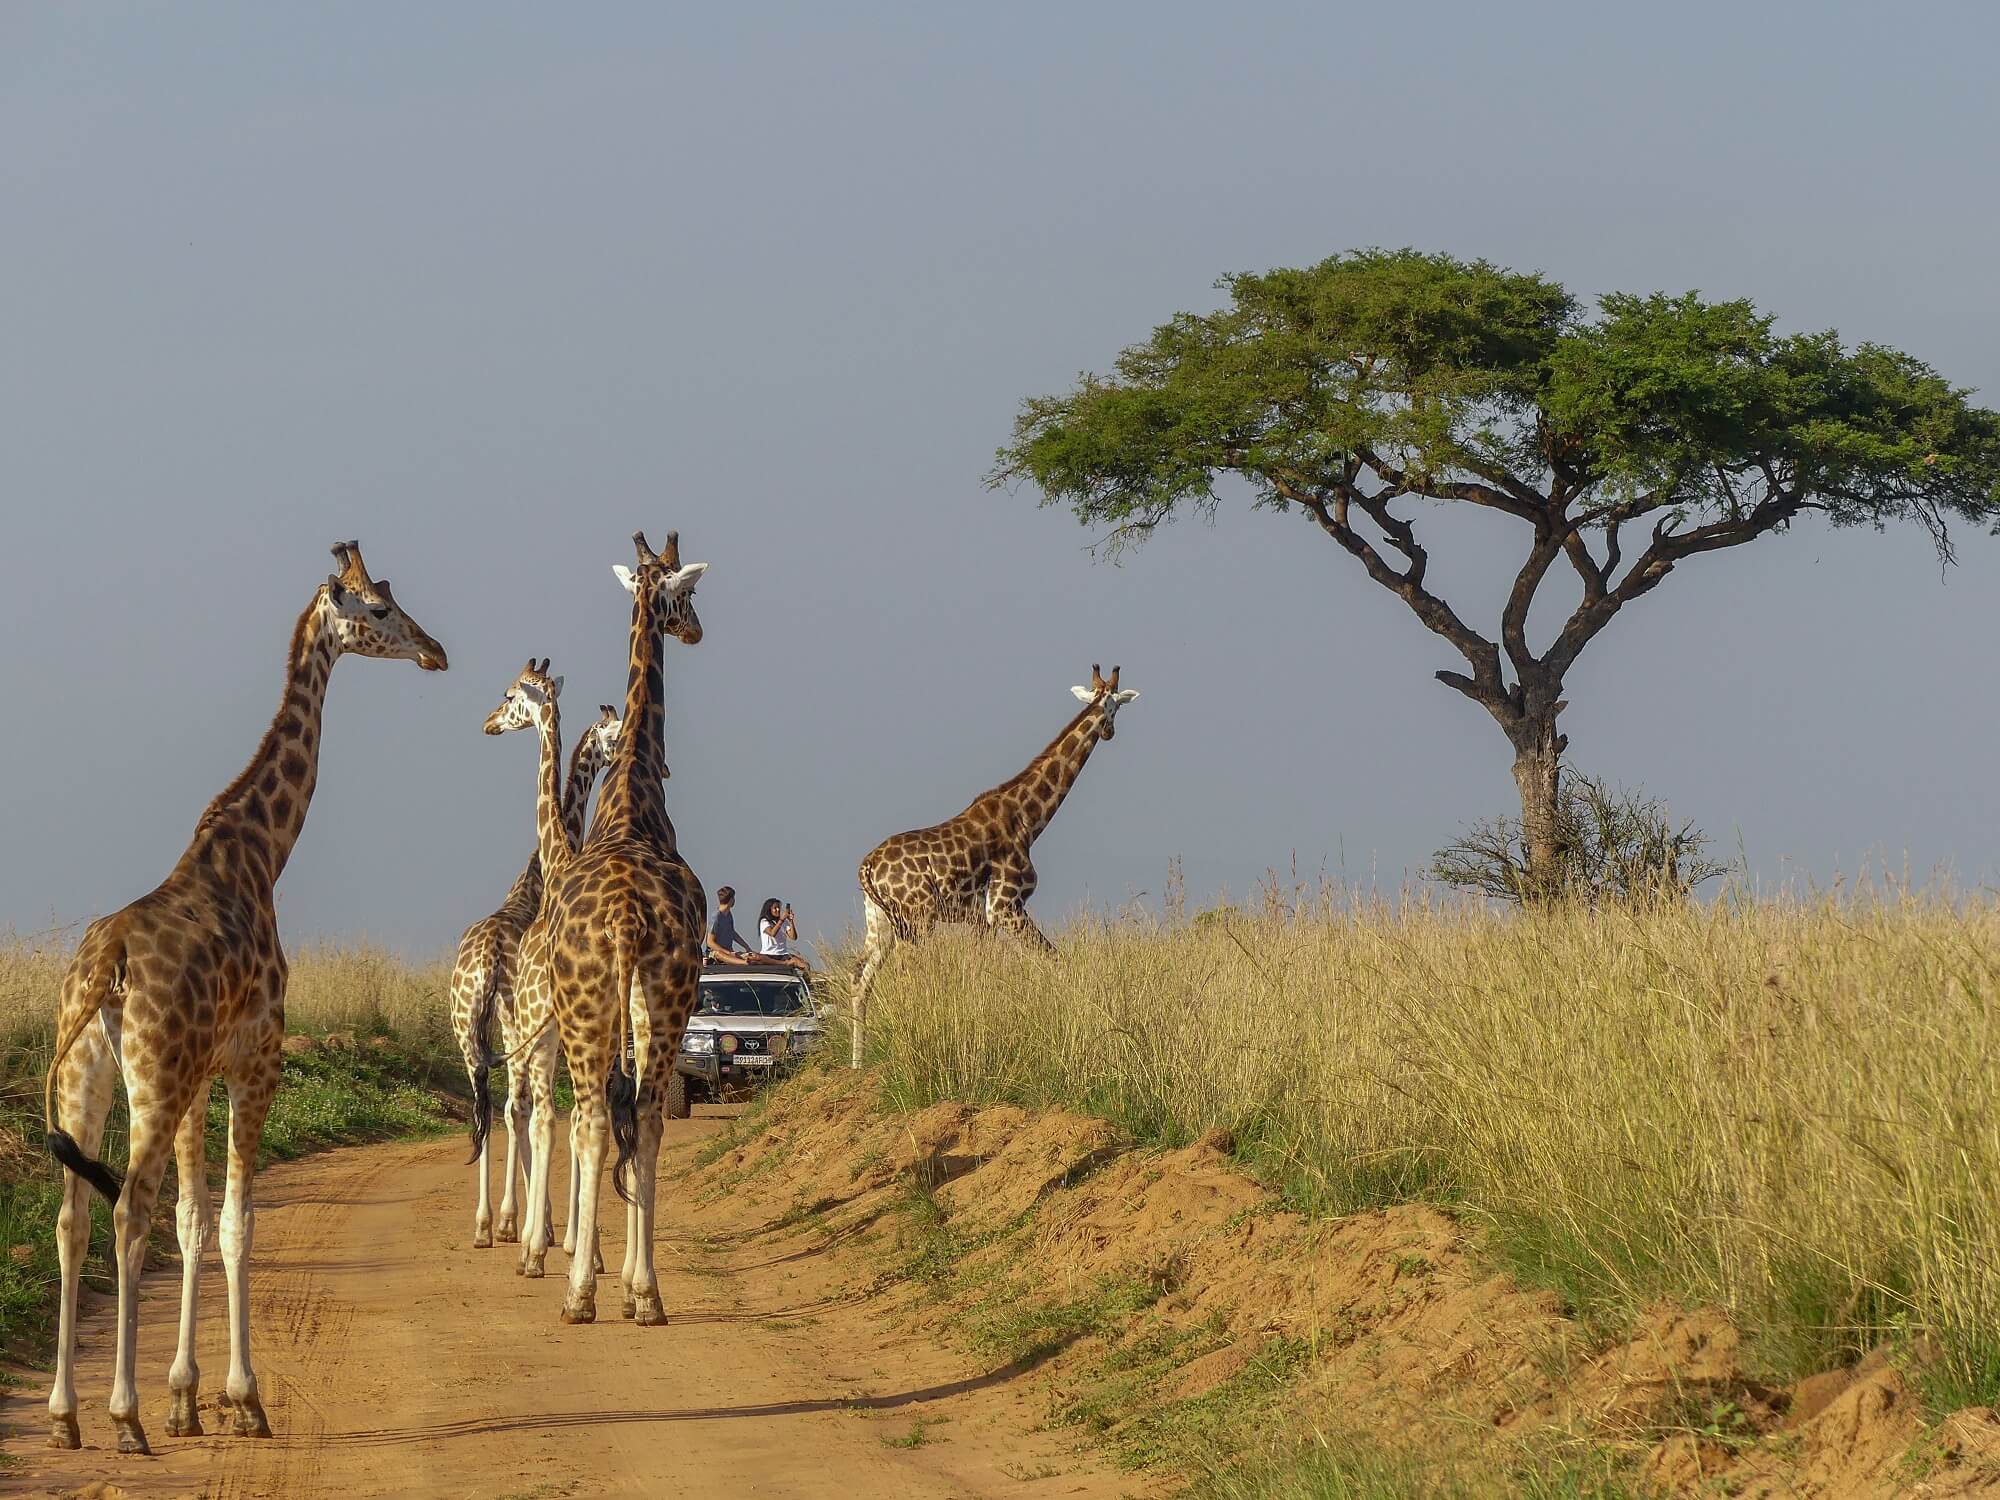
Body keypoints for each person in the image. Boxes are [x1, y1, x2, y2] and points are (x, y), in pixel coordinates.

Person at [757, 897, 810, 973]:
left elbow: (793, 937)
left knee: (805, 965)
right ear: (769, 910)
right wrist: (781, 920)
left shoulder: (784, 922)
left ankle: (806, 981)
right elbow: (772, 933)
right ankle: (786, 964)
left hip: (783, 954)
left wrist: (791, 921)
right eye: (775, 908)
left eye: (778, 907)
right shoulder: (764, 921)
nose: (778, 910)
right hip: (768, 954)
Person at [706, 886, 754, 966]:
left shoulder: (729, 915)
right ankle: (744, 962)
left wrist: (746, 946)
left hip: (729, 952)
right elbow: (710, 942)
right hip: (716, 954)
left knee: (754, 956)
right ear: (731, 900)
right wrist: (727, 952)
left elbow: (732, 933)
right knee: (719, 954)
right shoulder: (716, 917)